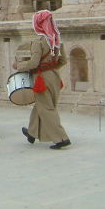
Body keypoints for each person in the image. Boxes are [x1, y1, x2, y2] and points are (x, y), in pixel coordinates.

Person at [12, 10, 71, 149]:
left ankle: (61, 138)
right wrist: (51, 67)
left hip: (42, 78)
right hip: (54, 76)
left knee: (47, 108)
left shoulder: (38, 42)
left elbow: (33, 63)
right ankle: (32, 133)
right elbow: (63, 61)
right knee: (41, 105)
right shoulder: (56, 40)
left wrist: (18, 65)